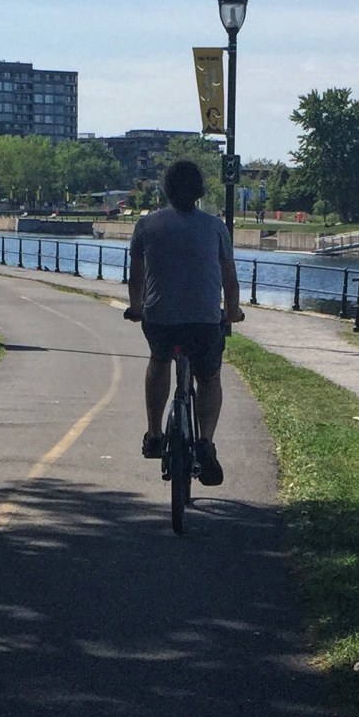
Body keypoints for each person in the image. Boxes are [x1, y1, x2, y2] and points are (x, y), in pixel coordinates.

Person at [123, 160, 244, 485]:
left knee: (159, 361)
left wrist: (136, 308)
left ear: (167, 190)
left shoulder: (146, 226)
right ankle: (205, 441)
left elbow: (135, 277)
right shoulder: (216, 227)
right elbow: (230, 281)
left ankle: (154, 435)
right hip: (204, 323)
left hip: (160, 321)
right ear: (199, 191)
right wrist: (232, 313)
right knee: (208, 378)